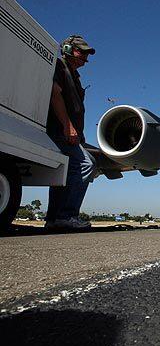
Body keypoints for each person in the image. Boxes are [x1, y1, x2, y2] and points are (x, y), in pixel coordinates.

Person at [45, 35, 97, 230]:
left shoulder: (74, 75)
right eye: (81, 52)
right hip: (60, 130)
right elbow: (54, 94)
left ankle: (53, 219)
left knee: (64, 173)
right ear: (66, 49)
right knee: (86, 164)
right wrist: (68, 126)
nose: (85, 57)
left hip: (69, 132)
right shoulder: (59, 66)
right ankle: (67, 216)